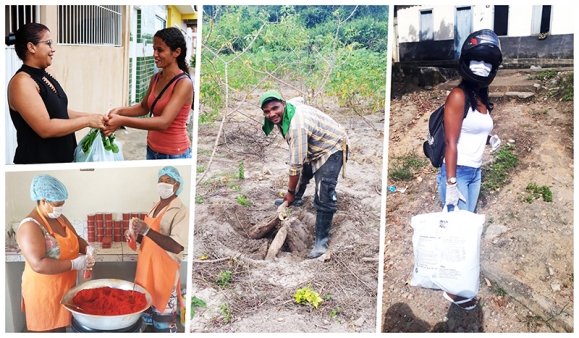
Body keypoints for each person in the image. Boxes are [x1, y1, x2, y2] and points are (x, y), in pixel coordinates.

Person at [436, 29, 503, 310]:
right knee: (457, 234)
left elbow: (471, 129)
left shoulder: (480, 94)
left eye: (488, 63)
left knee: (465, 231)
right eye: (478, 60)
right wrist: (451, 184)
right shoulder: (458, 95)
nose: (483, 67)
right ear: (466, 60)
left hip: (475, 172)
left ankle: (458, 279)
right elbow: (451, 142)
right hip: (458, 172)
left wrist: (489, 137)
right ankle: (451, 288)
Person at [261, 90, 349, 259]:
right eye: (267, 111)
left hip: (332, 147)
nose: (271, 114)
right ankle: (298, 198)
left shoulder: (297, 127)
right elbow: (300, 98)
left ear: (283, 104)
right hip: (316, 145)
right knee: (306, 170)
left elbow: (295, 166)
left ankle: (321, 243)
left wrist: (289, 193)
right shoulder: (292, 105)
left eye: (275, 108)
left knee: (323, 194)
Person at [6, 23, 106, 164]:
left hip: (62, 160)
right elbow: (45, 128)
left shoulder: (48, 74)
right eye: (48, 43)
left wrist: (97, 117)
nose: (53, 49)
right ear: (31, 47)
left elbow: (60, 112)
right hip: (38, 165)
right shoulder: (22, 82)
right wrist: (87, 121)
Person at [16, 174, 96, 332]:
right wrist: (75, 264)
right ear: (43, 200)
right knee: (49, 330)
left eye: (63, 203)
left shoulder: (59, 218)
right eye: (58, 204)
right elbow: (38, 264)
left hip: (64, 289)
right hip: (44, 294)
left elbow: (76, 239)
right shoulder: (30, 227)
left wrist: (87, 248)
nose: (61, 207)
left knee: (61, 329)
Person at [104, 27, 193, 160]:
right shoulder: (156, 78)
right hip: (152, 149)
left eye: (160, 50)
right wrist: (119, 111)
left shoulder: (183, 83)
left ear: (176, 52)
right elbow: (144, 107)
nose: (154, 54)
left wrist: (121, 120)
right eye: (154, 49)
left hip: (174, 154)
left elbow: (164, 122)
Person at [129, 166, 189, 332]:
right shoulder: (154, 207)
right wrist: (136, 234)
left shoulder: (181, 211)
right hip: (146, 273)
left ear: (176, 185)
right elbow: (147, 239)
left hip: (163, 273)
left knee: (163, 325)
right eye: (160, 180)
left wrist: (147, 230)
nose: (163, 184)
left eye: (168, 181)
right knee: (147, 321)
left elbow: (176, 246)